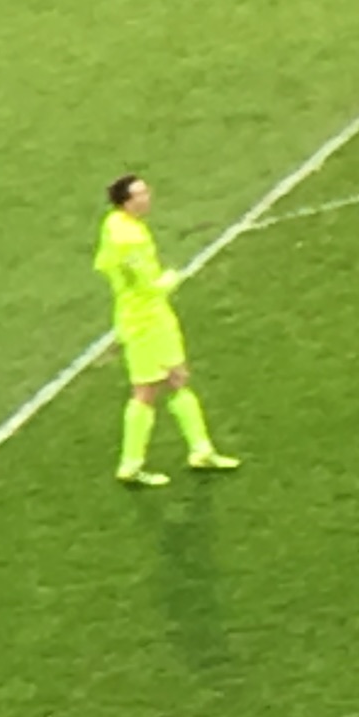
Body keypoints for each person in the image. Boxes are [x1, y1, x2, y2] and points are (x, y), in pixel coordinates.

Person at [94, 173, 233, 487]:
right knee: (147, 390)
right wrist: (172, 278)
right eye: (140, 194)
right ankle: (131, 464)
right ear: (125, 202)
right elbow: (148, 285)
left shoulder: (115, 224)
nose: (147, 198)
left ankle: (201, 450)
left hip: (146, 315)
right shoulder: (130, 238)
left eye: (146, 191)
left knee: (177, 378)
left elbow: (103, 265)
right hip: (145, 320)